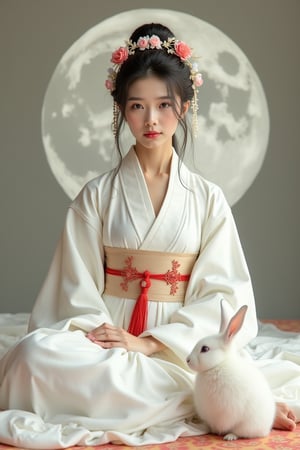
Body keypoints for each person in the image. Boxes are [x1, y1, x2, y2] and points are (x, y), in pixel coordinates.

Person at [0, 22, 297, 448]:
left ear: (185, 106)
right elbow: (72, 288)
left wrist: (152, 342)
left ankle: (207, 395)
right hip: (104, 341)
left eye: (164, 105)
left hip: (178, 348)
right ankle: (213, 403)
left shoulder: (207, 199)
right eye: (137, 106)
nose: (151, 120)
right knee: (31, 358)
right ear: (120, 109)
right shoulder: (96, 195)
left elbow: (224, 294)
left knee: (202, 370)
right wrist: (108, 336)